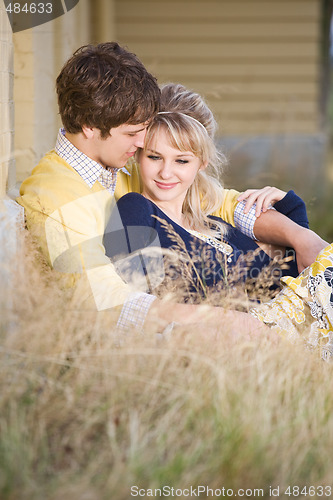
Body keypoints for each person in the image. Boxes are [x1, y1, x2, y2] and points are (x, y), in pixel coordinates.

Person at [15, 42, 325, 339]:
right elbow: (101, 301)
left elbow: (220, 204)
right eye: (134, 133)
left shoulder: (119, 165)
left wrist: (301, 237)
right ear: (89, 126)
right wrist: (224, 320)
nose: (142, 144)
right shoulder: (55, 196)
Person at [104, 109, 333, 359]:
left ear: (201, 164)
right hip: (243, 342)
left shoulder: (213, 224)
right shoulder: (135, 208)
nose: (166, 173)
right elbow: (140, 294)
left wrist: (292, 208)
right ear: (138, 157)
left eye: (181, 161)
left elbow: (288, 275)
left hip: (291, 329)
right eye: (155, 157)